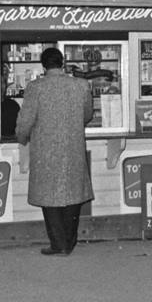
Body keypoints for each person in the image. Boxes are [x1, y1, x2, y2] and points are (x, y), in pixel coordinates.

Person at [15, 47, 94, 256]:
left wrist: (21, 138)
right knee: (73, 193)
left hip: (45, 149)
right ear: (63, 63)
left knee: (49, 197)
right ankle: (69, 241)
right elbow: (87, 115)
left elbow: (25, 121)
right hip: (73, 147)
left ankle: (58, 244)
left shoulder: (35, 87)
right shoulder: (81, 85)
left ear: (43, 65)